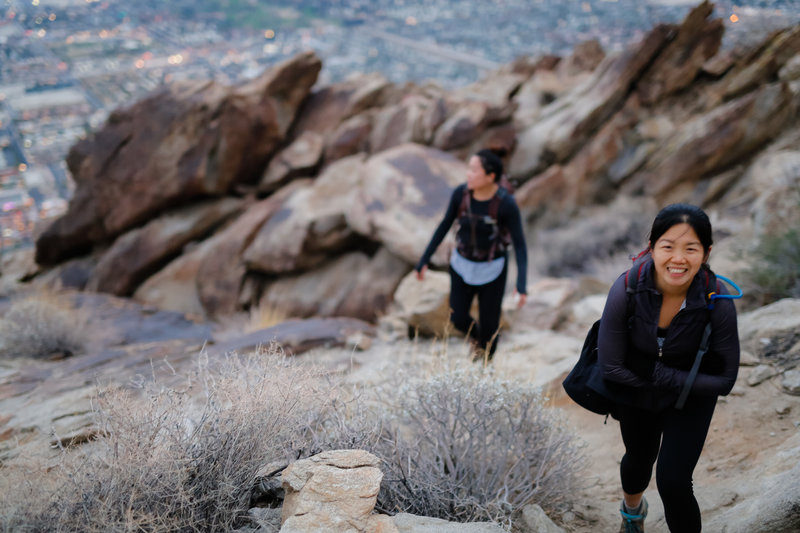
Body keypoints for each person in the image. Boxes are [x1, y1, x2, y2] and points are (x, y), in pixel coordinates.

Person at [597, 203, 740, 533]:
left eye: (691, 248)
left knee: (674, 482)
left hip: (691, 395)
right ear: (651, 247)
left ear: (706, 253)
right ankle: (633, 513)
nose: (678, 258)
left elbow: (726, 379)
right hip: (636, 389)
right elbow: (610, 366)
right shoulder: (628, 288)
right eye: (668, 246)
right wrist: (653, 380)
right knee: (638, 460)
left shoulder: (717, 300)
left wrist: (660, 374)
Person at [415, 148, 527, 361]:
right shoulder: (461, 194)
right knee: (457, 318)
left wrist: (521, 285)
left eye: (473, 170)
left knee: (490, 326)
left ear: (490, 176)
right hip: (461, 265)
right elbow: (444, 225)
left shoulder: (506, 205)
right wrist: (424, 259)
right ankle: (478, 342)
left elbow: (520, 245)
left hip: (492, 270)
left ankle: (484, 365)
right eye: (468, 169)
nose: (468, 174)